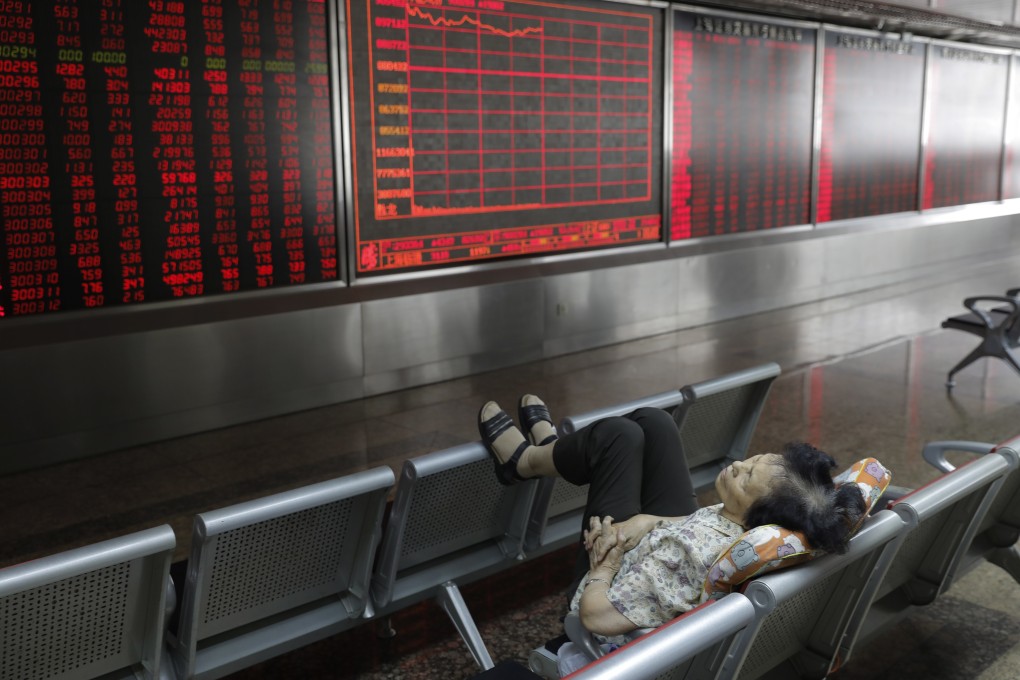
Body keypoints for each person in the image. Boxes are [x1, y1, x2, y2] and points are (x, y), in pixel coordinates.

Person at [478, 395, 866, 640]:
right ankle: (553, 450)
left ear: (757, 513)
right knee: (654, 422)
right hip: (674, 536)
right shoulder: (762, 526)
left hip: (611, 577)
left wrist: (604, 564)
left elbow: (596, 618)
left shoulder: (690, 553)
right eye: (753, 460)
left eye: (746, 476)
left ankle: (526, 461)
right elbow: (694, 532)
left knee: (618, 436)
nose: (737, 465)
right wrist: (651, 521)